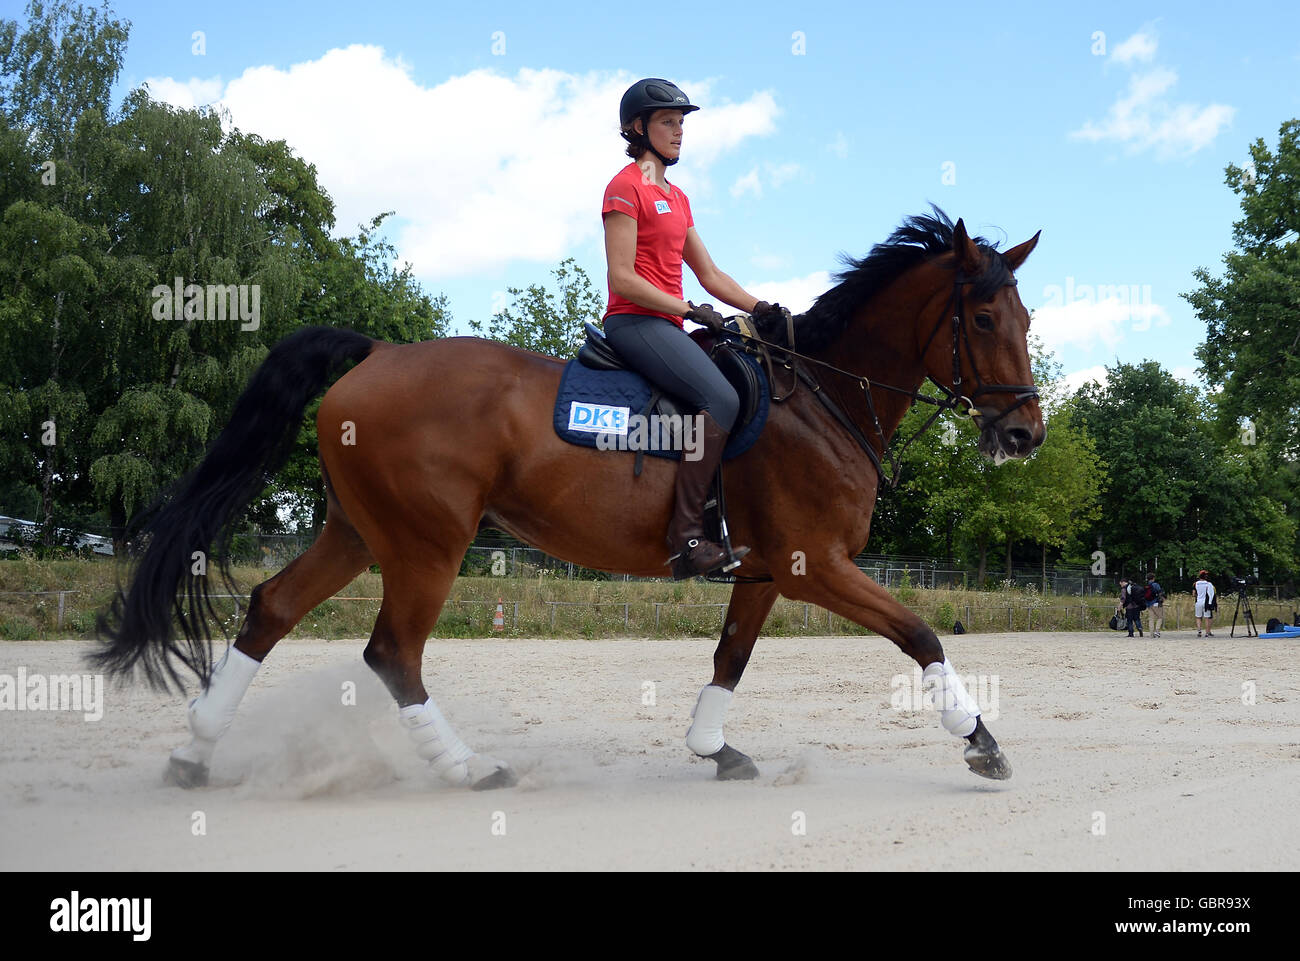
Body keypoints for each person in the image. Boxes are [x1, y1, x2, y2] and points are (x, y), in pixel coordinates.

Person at [601, 78, 788, 578]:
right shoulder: (625, 186)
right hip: (635, 322)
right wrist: (687, 309)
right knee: (722, 399)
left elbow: (710, 274)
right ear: (638, 128)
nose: (679, 131)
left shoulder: (678, 198)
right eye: (668, 122)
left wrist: (761, 307)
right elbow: (622, 278)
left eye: (682, 122)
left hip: (668, 323)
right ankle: (685, 538)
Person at [1194, 570, 1216, 637]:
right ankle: (1207, 633)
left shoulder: (1196, 583)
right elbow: (1211, 594)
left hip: (1198, 602)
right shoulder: (1208, 584)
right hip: (1206, 603)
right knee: (1207, 618)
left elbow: (1194, 593)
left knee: (1198, 617)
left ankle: (1199, 631)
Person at [1144, 572, 1164, 637]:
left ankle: (1151, 634)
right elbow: (1160, 592)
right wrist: (1161, 601)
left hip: (1148, 604)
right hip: (1155, 603)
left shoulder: (1146, 585)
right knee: (1160, 617)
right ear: (1153, 578)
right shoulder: (1156, 584)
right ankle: (1157, 631)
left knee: (1151, 619)